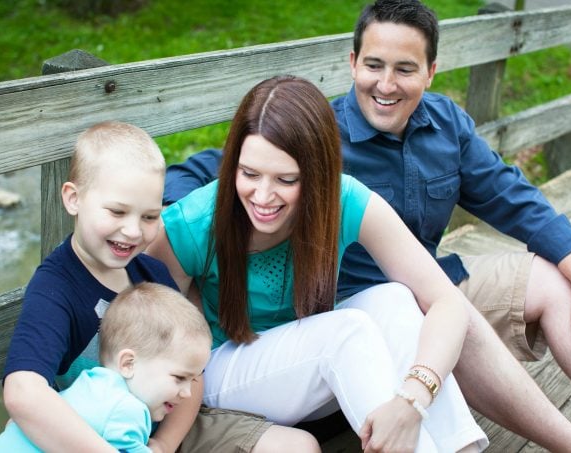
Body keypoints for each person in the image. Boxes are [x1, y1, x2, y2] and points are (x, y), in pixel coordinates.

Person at [160, 1, 571, 450]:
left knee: (546, 284)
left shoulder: (440, 125)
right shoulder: (311, 136)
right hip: (332, 316)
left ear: (431, 71)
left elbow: (510, 196)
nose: (386, 84)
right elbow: (226, 170)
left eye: (404, 69)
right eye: (374, 65)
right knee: (401, 319)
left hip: (407, 292)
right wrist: (149, 213)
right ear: (353, 63)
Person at [147, 74, 489, 452]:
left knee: (393, 298)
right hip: (220, 370)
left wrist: (414, 396)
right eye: (248, 173)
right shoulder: (193, 224)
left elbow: (447, 302)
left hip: (309, 361)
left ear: (318, 174)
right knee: (346, 331)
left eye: (286, 179)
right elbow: (150, 337)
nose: (262, 195)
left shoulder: (342, 199)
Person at [1, 121, 320, 453]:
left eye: (149, 217)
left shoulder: (152, 273)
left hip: (166, 426)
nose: (133, 231)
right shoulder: (56, 288)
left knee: (298, 447)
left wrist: (165, 444)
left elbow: (192, 374)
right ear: (73, 199)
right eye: (117, 211)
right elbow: (23, 391)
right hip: (88, 437)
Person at [0, 282, 211, 452]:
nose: (187, 393)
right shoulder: (126, 410)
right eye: (179, 378)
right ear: (128, 363)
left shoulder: (89, 384)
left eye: (192, 380)